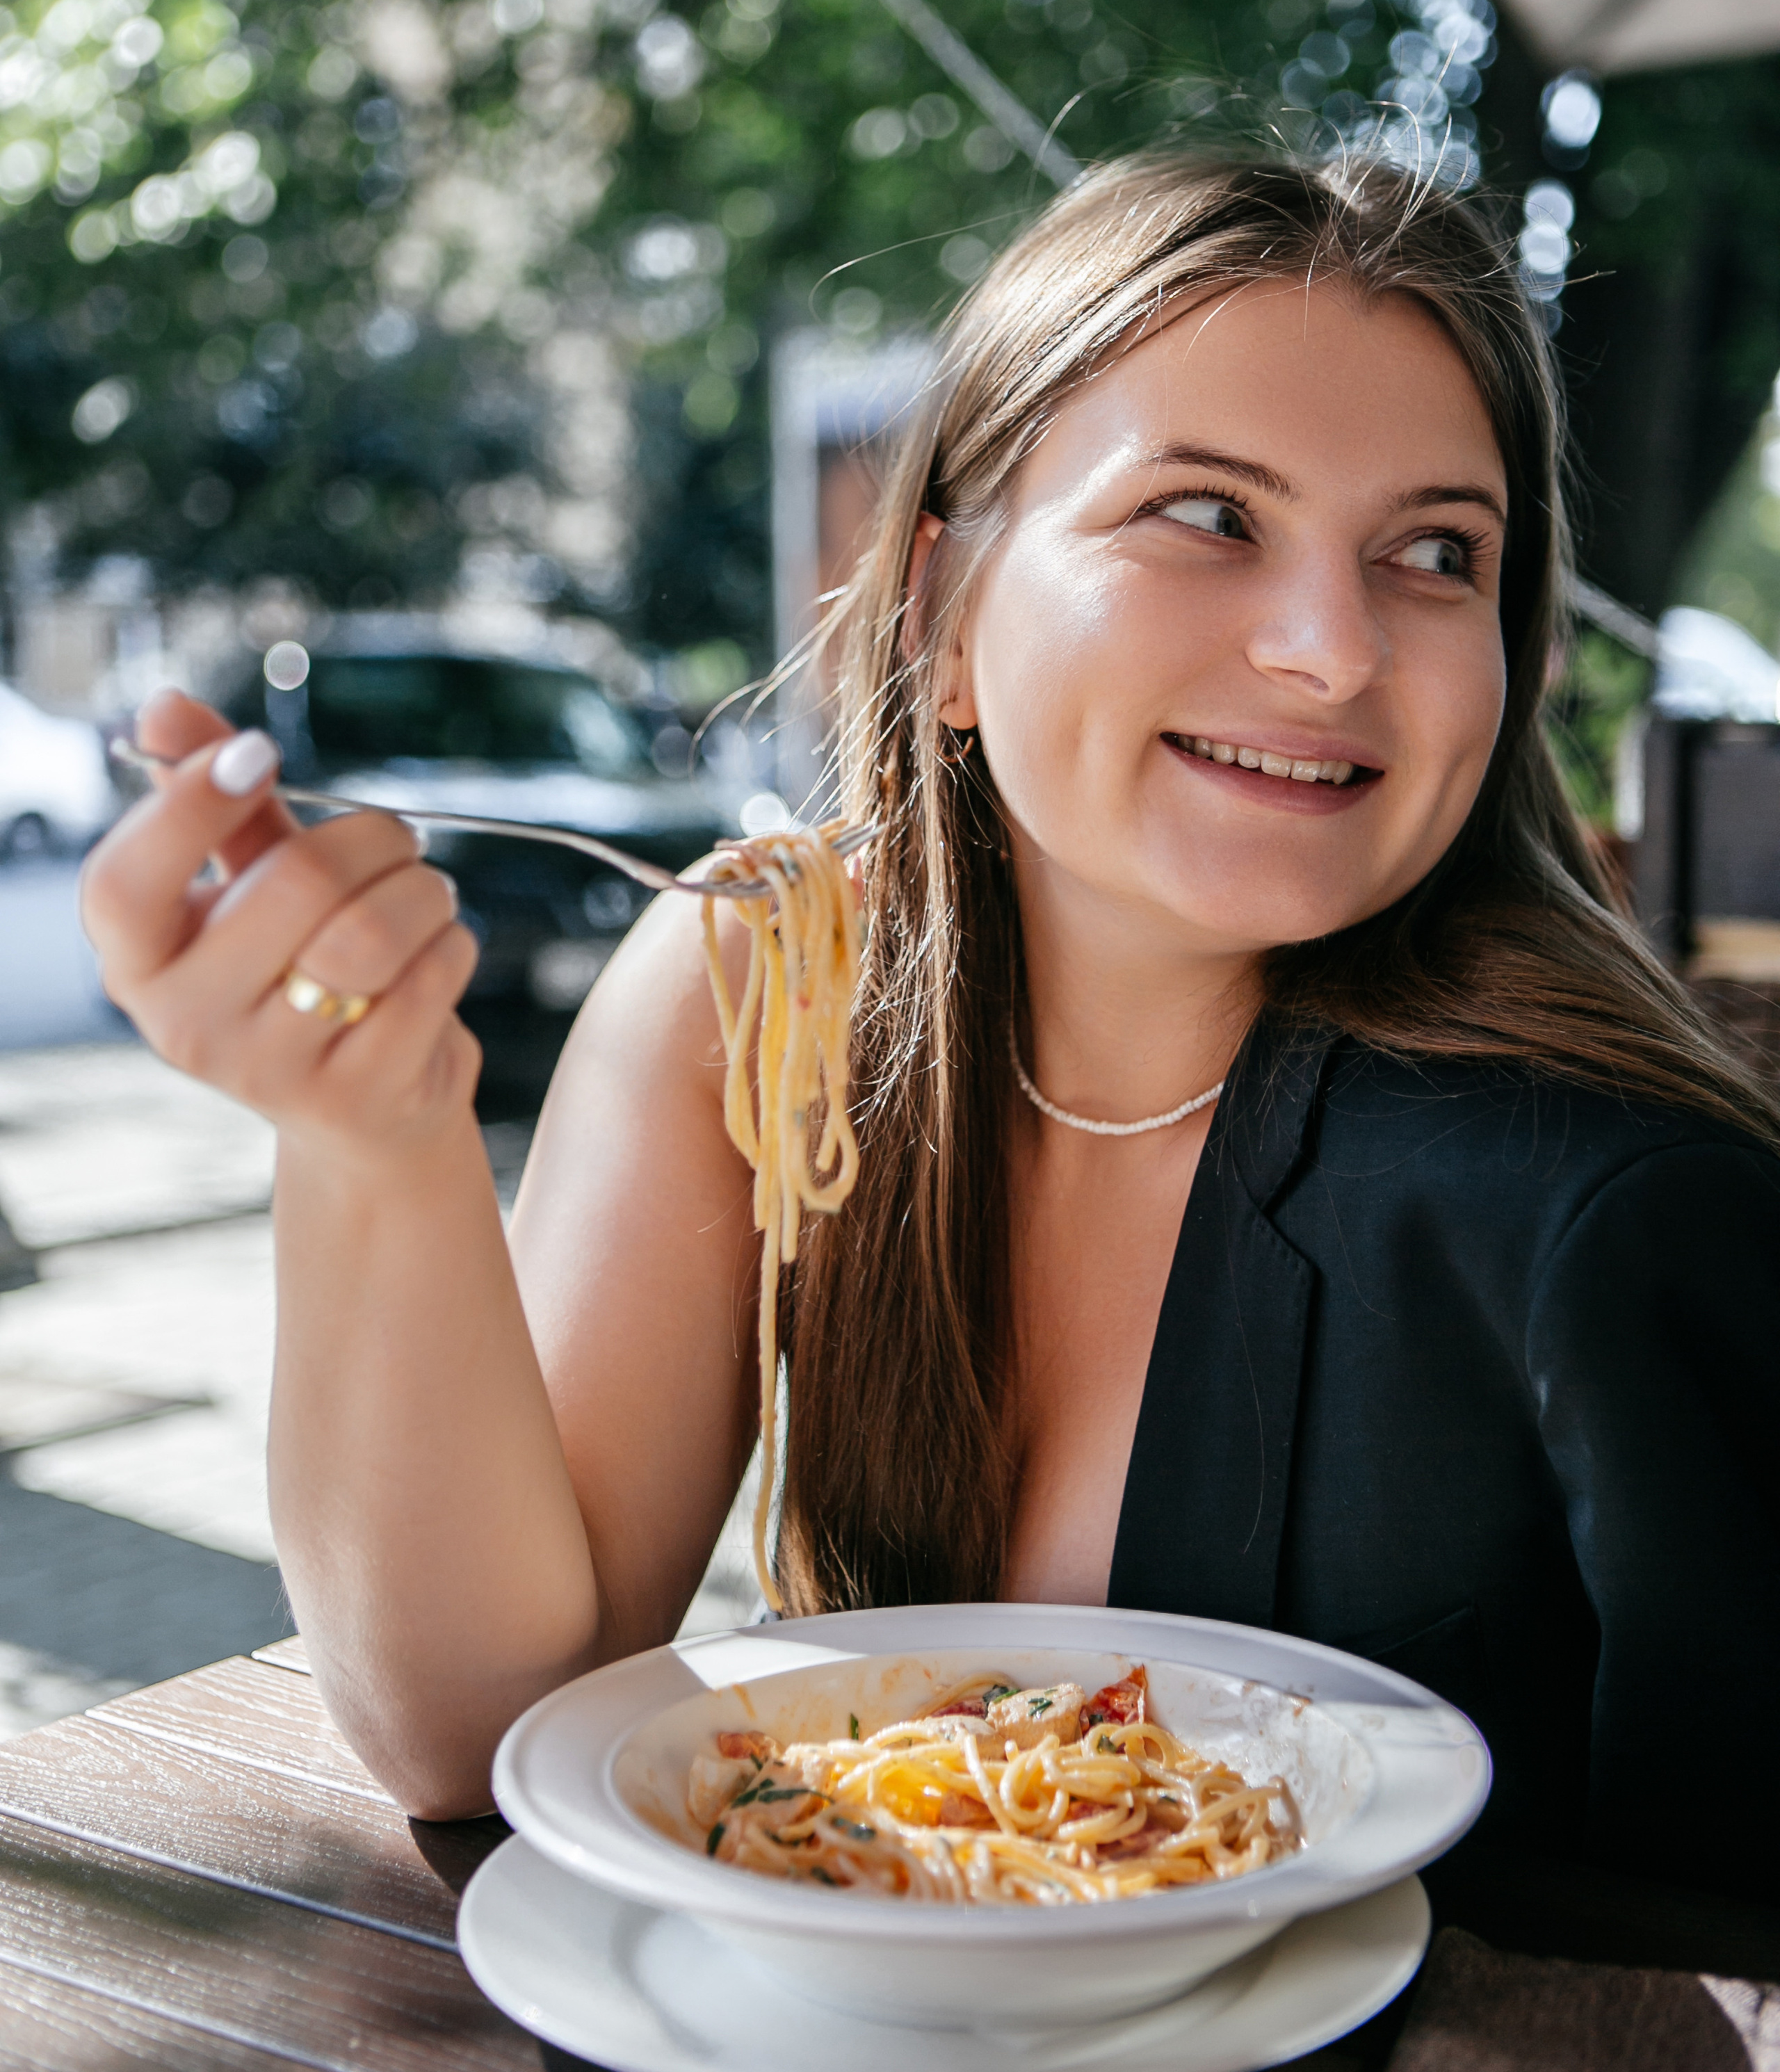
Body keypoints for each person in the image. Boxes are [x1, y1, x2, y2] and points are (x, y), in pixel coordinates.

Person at [82, 154, 1780, 1917]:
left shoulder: (1616, 1216)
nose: (1329, 649)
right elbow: (484, 1724)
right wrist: (377, 1145)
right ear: (941, 615)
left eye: (1435, 554)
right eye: (1207, 515)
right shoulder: (761, 1006)